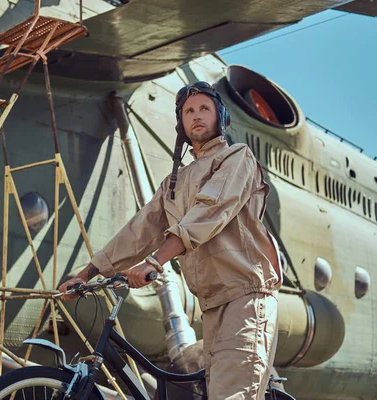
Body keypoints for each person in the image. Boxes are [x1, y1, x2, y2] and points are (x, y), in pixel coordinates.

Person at [60, 82, 282, 399]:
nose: (196, 116)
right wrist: (87, 273)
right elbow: (140, 230)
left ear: (220, 117)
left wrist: (155, 261)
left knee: (234, 394)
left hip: (247, 295)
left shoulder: (237, 159)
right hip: (213, 304)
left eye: (204, 108)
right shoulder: (175, 182)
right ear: (181, 124)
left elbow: (210, 211)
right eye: (188, 111)